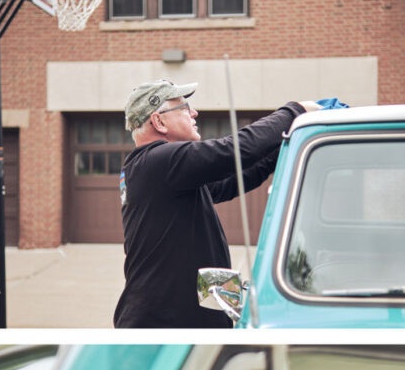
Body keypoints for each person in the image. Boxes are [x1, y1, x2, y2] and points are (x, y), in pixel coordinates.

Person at [114, 80, 329, 329]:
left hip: (178, 317)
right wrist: (297, 111)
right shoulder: (157, 160)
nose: (194, 113)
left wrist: (286, 146)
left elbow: (236, 177)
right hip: (161, 325)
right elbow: (235, 150)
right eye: (184, 108)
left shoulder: (161, 171)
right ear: (159, 121)